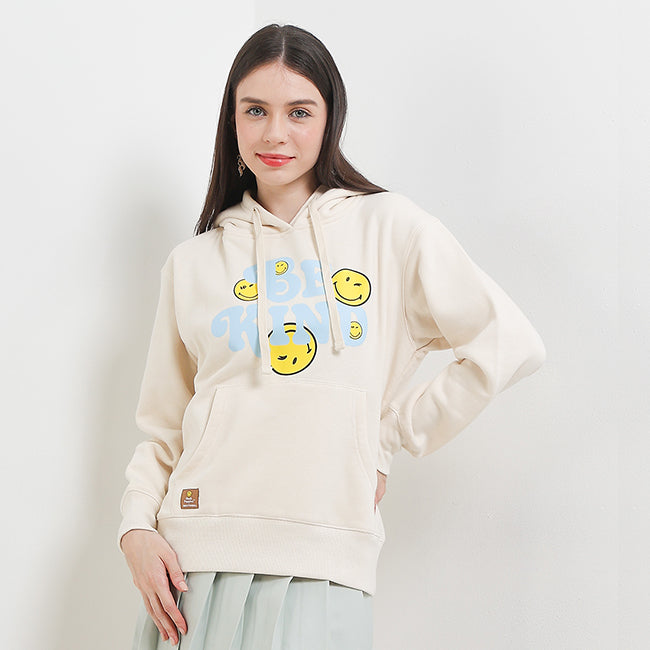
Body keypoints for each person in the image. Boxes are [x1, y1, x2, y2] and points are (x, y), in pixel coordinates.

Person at [117, 22, 546, 650]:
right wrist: (135, 527)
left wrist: (387, 437)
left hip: (327, 558)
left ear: (330, 119)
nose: (275, 133)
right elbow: (163, 427)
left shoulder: (390, 229)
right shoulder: (193, 263)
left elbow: (507, 342)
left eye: (299, 112)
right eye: (255, 110)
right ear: (232, 119)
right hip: (192, 561)